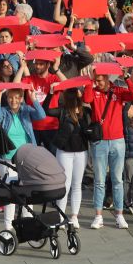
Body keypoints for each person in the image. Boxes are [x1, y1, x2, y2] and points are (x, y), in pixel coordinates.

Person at [83, 62, 133, 229]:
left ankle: (119, 215)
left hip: (117, 141)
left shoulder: (118, 91)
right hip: (100, 142)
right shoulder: (93, 91)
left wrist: (127, 77)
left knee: (117, 180)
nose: (98, 83)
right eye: (96, 79)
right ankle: (98, 216)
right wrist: (89, 81)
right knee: (99, 180)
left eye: (100, 80)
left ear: (107, 78)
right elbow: (86, 99)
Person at [0, 87, 46, 231]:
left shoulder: (25, 110)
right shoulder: (4, 111)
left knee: (27, 191)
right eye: (10, 97)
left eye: (17, 97)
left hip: (26, 157)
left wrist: (33, 99)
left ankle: (27, 224)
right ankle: (8, 227)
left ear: (21, 98)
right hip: (7, 158)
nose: (13, 100)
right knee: (10, 192)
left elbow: (41, 115)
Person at [42, 87, 91, 229]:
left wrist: (85, 94)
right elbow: (46, 110)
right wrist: (51, 93)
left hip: (81, 152)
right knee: (65, 184)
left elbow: (91, 104)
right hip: (65, 152)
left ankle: (74, 216)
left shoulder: (85, 111)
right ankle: (60, 216)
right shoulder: (63, 111)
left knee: (77, 184)